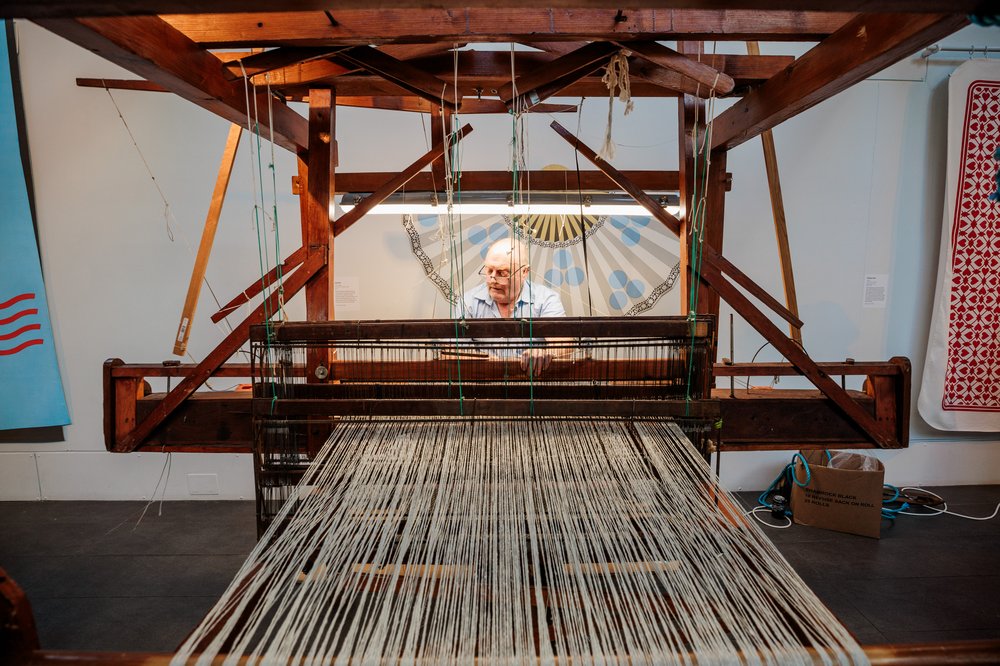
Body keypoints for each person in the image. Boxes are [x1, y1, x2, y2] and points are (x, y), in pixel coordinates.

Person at [459, 237, 567, 373]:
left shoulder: (546, 300)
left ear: (524, 272)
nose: (492, 279)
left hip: (532, 385)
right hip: (484, 384)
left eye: (502, 273)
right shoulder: (468, 302)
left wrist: (545, 353)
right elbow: (452, 351)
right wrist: (485, 362)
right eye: (489, 270)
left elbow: (565, 343)